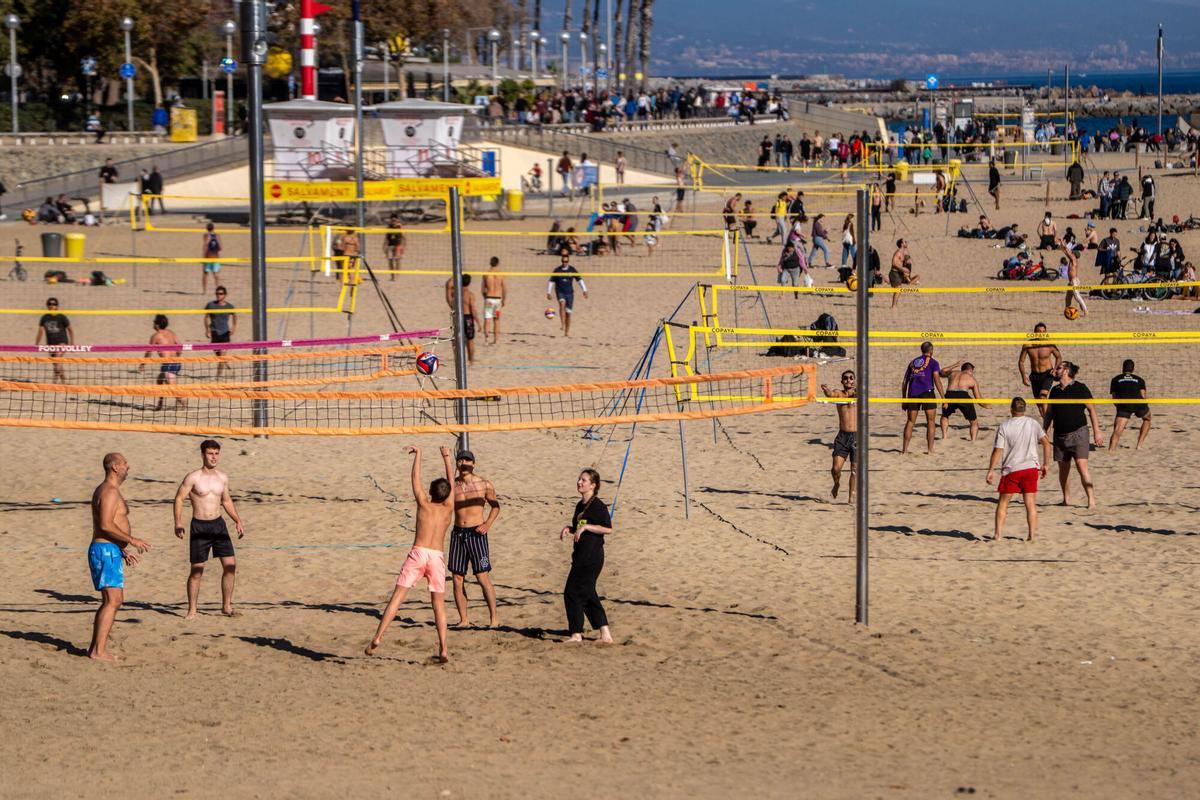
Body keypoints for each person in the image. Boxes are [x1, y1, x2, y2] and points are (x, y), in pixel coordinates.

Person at [365, 446, 454, 663]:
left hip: (419, 553)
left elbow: (415, 477)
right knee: (439, 605)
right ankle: (443, 649)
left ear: (431, 492)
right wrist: (447, 458)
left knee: (397, 598)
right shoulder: (448, 508)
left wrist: (419, 454)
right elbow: (452, 486)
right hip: (436, 557)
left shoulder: (423, 503)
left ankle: (378, 637)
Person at [87, 453, 150, 661]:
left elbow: (106, 526)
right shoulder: (109, 492)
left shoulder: (108, 490)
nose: (127, 466)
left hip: (109, 550)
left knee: (110, 600)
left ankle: (95, 648)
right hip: (104, 551)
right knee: (114, 600)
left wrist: (121, 550)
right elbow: (105, 524)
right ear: (115, 467)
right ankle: (98, 651)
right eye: (124, 463)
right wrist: (132, 540)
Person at [173, 440, 245, 619]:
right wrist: (178, 522)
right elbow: (179, 498)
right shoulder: (193, 477)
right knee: (197, 570)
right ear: (203, 455)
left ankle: (226, 606)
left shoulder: (222, 477)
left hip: (218, 525)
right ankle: (192, 610)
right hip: (200, 526)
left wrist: (237, 520)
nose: (214, 457)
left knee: (230, 566)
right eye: (210, 453)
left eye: (216, 453)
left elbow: (226, 500)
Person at [560, 468, 614, 644]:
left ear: (593, 485)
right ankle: (605, 634)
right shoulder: (580, 505)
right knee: (588, 592)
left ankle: (576, 634)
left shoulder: (598, 506)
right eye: (579, 479)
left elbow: (608, 528)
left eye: (583, 480)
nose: (579, 483)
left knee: (571, 592)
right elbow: (579, 526)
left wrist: (587, 527)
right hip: (580, 555)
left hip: (592, 556)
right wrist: (570, 528)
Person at [985, 398, 1051, 542]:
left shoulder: (1005, 426)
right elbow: (1047, 444)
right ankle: (1031, 536)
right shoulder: (1033, 423)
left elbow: (998, 450)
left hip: (1012, 469)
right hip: (1030, 468)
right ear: (1024, 409)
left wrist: (991, 469)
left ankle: (998, 535)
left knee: (1003, 503)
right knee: (1030, 504)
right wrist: (1045, 464)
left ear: (1011, 409)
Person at [448, 450, 501, 628]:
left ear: (473, 464)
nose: (464, 463)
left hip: (477, 534)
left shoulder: (484, 484)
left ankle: (494, 619)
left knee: (481, 577)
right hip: (458, 533)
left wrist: (487, 524)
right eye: (461, 460)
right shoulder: (452, 485)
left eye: (467, 460)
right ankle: (464, 620)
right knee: (457, 578)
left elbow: (495, 507)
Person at [1043, 362, 1104, 507]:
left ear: (1066, 371)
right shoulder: (1055, 390)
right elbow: (1049, 413)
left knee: (1082, 467)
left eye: (1058, 368)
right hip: (1060, 435)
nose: (1055, 370)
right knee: (1063, 471)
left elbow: (1092, 410)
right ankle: (1066, 499)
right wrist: (1043, 430)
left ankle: (1091, 500)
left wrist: (1097, 432)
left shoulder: (1080, 388)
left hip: (1079, 433)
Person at [901, 341, 959, 455]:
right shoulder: (933, 362)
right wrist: (943, 398)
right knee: (931, 422)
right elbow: (937, 380)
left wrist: (904, 399)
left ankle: (904, 450)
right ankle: (930, 450)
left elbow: (904, 382)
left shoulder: (913, 362)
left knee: (910, 422)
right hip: (927, 392)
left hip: (912, 392)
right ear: (931, 351)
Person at [820, 370, 857, 503]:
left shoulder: (859, 395)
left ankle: (851, 497)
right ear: (842, 381)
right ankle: (836, 484)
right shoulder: (839, 394)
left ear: (854, 380)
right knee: (836, 469)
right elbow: (830, 394)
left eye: (851, 378)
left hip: (857, 436)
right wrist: (826, 390)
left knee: (854, 470)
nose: (848, 380)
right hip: (842, 436)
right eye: (846, 378)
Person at [140, 314, 185, 411]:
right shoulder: (171, 333)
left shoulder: (155, 336)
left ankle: (184, 403)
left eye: (154, 322)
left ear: (157, 325)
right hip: (176, 362)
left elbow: (149, 352)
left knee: (172, 388)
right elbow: (180, 348)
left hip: (168, 364)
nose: (153, 323)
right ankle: (160, 405)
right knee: (160, 380)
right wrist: (176, 357)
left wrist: (142, 364)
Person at [1018, 322, 1062, 416]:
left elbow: (1059, 357)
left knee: (1043, 397)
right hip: (1034, 376)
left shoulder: (1049, 344)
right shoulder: (1028, 345)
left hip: (1047, 374)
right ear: (1034, 332)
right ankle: (1047, 422)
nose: (1041, 333)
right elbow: (1021, 362)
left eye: (1043, 331)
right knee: (1039, 405)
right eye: (1039, 331)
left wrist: (1055, 369)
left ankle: (1047, 424)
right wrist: (1024, 377)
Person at [1109, 359, 1151, 450]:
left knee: (1117, 430)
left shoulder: (1115, 379)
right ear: (1133, 369)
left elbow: (1114, 397)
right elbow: (1143, 395)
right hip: (1138, 403)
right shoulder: (1139, 379)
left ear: (1122, 368)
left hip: (1124, 404)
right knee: (1147, 418)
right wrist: (1144, 407)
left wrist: (1119, 408)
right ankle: (1139, 445)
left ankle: (1111, 449)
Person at [939, 362, 985, 442]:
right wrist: (987, 405)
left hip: (950, 394)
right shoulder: (972, 378)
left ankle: (944, 437)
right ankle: (973, 440)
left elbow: (941, 372)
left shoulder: (953, 372)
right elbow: (978, 399)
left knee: (945, 416)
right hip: (963, 395)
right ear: (970, 370)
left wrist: (954, 365)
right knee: (974, 421)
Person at [547, 251, 588, 337]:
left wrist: (584, 290)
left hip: (569, 293)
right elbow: (551, 281)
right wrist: (548, 292)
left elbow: (579, 280)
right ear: (561, 261)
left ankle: (566, 332)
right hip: (560, 291)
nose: (564, 263)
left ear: (568, 261)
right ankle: (562, 324)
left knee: (568, 313)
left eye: (566, 261)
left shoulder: (572, 270)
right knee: (562, 303)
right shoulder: (557, 270)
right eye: (563, 261)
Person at [444, 273, 479, 364]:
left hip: (457, 317)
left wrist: (455, 274)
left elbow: (448, 286)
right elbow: (473, 310)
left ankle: (458, 359)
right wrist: (478, 323)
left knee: (456, 339)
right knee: (470, 340)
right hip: (467, 318)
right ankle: (471, 360)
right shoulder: (470, 295)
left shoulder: (455, 293)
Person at [36, 297, 72, 384]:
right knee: (56, 363)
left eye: (54, 304)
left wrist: (72, 343)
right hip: (51, 344)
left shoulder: (61, 317)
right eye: (50, 304)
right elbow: (41, 331)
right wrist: (36, 344)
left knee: (57, 359)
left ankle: (54, 382)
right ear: (47, 306)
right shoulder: (44, 318)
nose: (52, 306)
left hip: (62, 342)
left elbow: (70, 329)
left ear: (57, 306)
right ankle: (64, 381)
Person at [204, 286, 236, 378]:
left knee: (221, 357)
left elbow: (235, 316)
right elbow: (206, 317)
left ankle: (218, 377)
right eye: (217, 293)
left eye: (221, 294)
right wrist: (207, 330)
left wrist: (233, 327)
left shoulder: (229, 306)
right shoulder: (210, 305)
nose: (218, 295)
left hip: (225, 333)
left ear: (225, 295)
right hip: (214, 333)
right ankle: (225, 363)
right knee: (219, 356)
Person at [480, 256, 506, 346]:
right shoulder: (501, 275)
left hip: (489, 298)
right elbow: (504, 288)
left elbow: (483, 289)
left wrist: (485, 298)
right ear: (498, 263)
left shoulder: (486, 274)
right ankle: (496, 340)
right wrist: (504, 300)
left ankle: (486, 340)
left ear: (490, 263)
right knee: (497, 320)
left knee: (487, 320)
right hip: (498, 299)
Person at [1059, 239, 1088, 318]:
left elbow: (1067, 252)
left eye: (1072, 253)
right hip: (1072, 281)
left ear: (1074, 255)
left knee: (1077, 296)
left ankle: (1085, 310)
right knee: (1068, 298)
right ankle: (1067, 310)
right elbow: (1065, 251)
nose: (1071, 253)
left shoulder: (1073, 259)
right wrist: (1062, 245)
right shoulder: (1072, 259)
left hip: (1074, 281)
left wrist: (1064, 245)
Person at [889, 238, 919, 310]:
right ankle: (893, 306)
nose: (906, 243)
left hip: (899, 273)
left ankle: (894, 305)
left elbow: (903, 264)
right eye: (905, 242)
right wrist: (903, 269)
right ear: (902, 244)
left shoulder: (903, 253)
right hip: (894, 273)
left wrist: (906, 270)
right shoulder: (898, 252)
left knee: (899, 289)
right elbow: (894, 263)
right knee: (898, 289)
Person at [201, 222, 222, 295]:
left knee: (205, 274)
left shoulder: (206, 235)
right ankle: (218, 290)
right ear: (213, 228)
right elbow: (220, 248)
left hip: (208, 257)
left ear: (206, 228)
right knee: (216, 274)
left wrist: (203, 256)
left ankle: (204, 291)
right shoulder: (218, 235)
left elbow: (205, 245)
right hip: (216, 257)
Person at [384, 214, 405, 280]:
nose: (393, 221)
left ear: (397, 220)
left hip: (397, 245)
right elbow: (386, 237)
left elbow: (403, 237)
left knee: (397, 260)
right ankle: (392, 276)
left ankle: (397, 275)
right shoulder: (389, 227)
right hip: (390, 245)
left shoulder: (400, 226)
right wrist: (385, 246)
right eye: (392, 219)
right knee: (390, 261)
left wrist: (403, 246)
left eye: (395, 219)